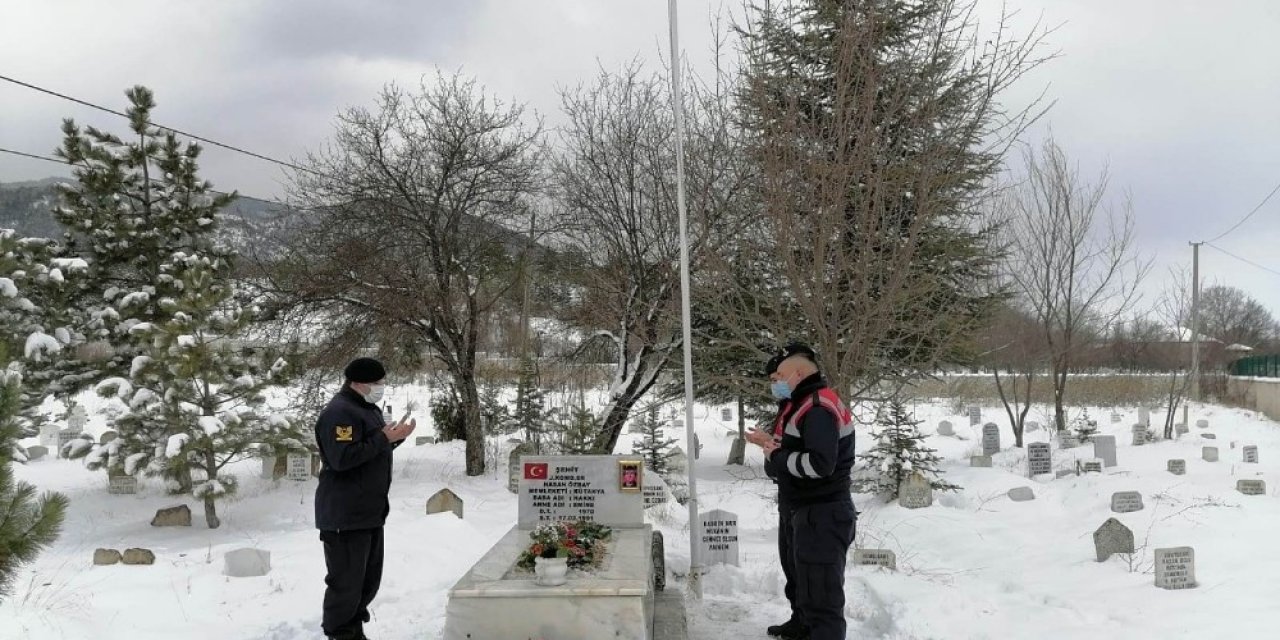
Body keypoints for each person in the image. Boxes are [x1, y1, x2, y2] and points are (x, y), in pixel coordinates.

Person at [745, 344, 857, 640]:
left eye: (779, 376)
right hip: (799, 508)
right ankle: (802, 622)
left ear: (798, 373)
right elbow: (793, 449)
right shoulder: (797, 403)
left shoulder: (818, 407)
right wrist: (771, 446)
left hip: (822, 511)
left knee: (821, 589)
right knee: (800, 576)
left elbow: (820, 464)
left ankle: (820, 631)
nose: (776, 383)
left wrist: (776, 456)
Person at [315, 357, 417, 640]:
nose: (381, 387)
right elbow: (342, 458)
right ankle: (340, 633)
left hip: (368, 513)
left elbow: (370, 451)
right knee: (346, 584)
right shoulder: (340, 412)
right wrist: (383, 439)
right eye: (377, 383)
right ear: (358, 383)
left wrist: (394, 438)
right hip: (344, 515)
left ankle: (354, 631)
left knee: (367, 582)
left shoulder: (366, 409)